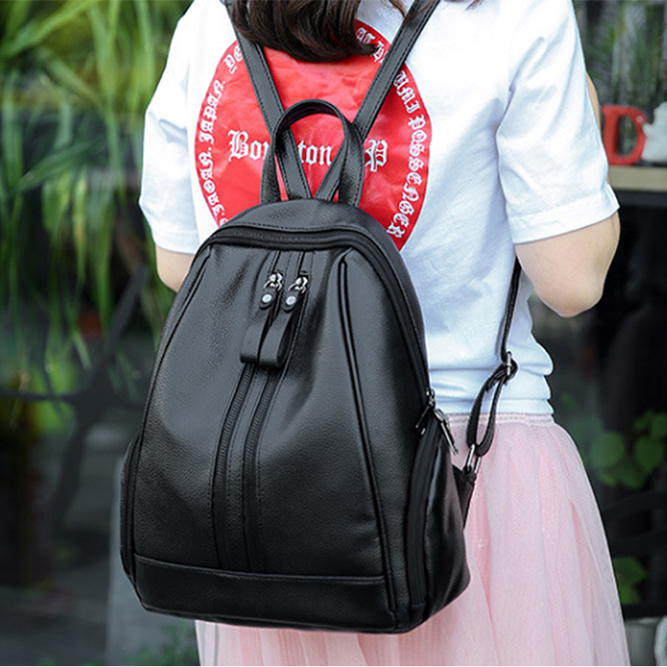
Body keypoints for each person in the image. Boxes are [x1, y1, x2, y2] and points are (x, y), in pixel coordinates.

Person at [138, 0, 630, 664]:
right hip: (462, 473)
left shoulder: (215, 17)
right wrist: (581, 114)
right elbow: (572, 279)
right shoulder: (516, 14)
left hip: (265, 492)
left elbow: (182, 264)